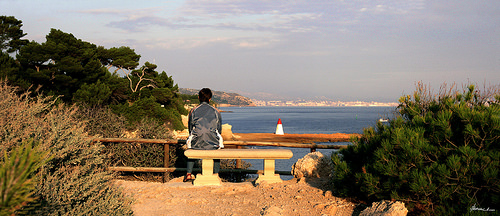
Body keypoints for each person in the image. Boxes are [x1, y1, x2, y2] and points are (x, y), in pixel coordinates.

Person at [184, 88, 224, 182]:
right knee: (217, 150)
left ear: (198, 98)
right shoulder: (216, 111)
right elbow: (219, 129)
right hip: (213, 140)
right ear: (210, 99)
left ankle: (189, 174)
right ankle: (216, 173)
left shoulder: (193, 111)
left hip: (196, 139)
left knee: (191, 149)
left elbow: (190, 128)